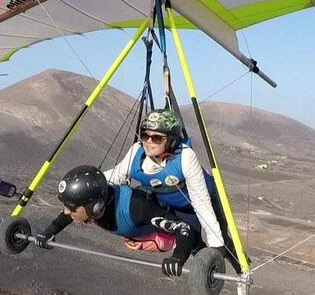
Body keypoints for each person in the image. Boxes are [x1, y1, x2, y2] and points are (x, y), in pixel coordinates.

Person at [104, 109, 243, 272]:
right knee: (191, 243)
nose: (148, 141)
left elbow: (201, 202)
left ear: (169, 140)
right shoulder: (137, 152)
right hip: (172, 204)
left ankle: (241, 269)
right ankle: (208, 272)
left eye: (156, 137)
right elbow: (114, 176)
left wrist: (216, 245)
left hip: (201, 201)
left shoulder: (185, 157)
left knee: (222, 242)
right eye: (144, 135)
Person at [32, 165, 201, 277]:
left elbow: (183, 227)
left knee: (191, 240)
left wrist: (178, 257)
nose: (68, 211)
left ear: (96, 206)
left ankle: (201, 252)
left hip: (159, 226)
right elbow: (65, 216)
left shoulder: (136, 209)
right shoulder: (93, 204)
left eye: (72, 207)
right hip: (134, 229)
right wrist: (48, 232)